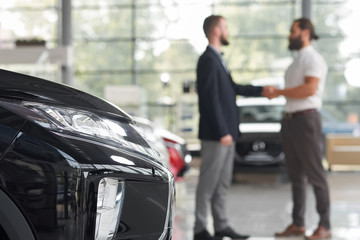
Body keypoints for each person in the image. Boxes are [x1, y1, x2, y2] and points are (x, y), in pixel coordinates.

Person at [194, 15, 268, 240]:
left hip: (227, 134)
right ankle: (199, 229)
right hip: (218, 135)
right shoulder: (207, 60)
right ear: (216, 30)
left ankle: (221, 225)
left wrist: (261, 91)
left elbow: (232, 88)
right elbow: (210, 99)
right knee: (208, 184)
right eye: (225, 27)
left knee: (222, 184)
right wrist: (222, 131)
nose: (228, 31)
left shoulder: (218, 59)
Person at [265, 18, 331, 240]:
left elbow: (310, 89)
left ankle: (324, 225)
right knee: (296, 176)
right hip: (291, 121)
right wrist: (280, 94)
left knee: (315, 174)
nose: (289, 35)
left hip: (306, 121)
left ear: (305, 33)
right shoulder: (297, 61)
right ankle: (298, 223)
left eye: (292, 31)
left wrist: (280, 92)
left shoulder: (313, 59)